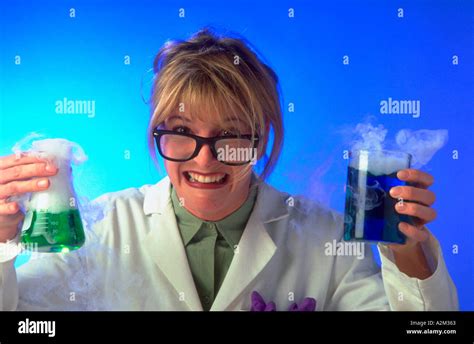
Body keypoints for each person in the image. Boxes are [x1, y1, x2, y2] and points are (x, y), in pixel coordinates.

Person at [0, 29, 458, 311]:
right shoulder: (100, 230)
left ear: (261, 137)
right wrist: (2, 238)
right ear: (157, 131)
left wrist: (407, 254)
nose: (205, 158)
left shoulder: (326, 238)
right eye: (181, 130)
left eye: (232, 135)